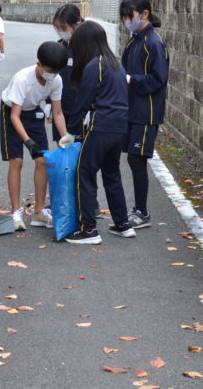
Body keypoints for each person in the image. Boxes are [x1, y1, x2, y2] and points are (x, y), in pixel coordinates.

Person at [64, 21, 135, 244]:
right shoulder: (116, 64)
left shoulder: (94, 65)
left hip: (100, 125)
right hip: (119, 127)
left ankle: (88, 230)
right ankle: (122, 224)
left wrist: (71, 133)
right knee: (112, 174)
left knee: (84, 172)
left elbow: (82, 103)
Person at [0, 41, 74, 231]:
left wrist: (65, 137)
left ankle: (39, 211)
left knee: (42, 160)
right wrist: (28, 141)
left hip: (33, 112)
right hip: (11, 112)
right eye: (49, 70)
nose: (52, 75)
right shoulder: (22, 79)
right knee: (16, 161)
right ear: (39, 64)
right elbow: (15, 116)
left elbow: (57, 113)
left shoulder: (56, 80)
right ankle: (16, 212)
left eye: (56, 72)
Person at [120, 0, 169, 230]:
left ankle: (142, 212)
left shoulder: (153, 43)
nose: (127, 21)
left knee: (136, 159)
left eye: (130, 16)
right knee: (131, 157)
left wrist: (131, 80)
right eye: (125, 18)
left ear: (145, 14)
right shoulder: (134, 40)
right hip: (132, 109)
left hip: (147, 111)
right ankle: (137, 209)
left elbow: (159, 79)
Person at [50, 4, 84, 145]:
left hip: (80, 110)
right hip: (60, 108)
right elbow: (50, 75)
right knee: (62, 148)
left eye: (63, 28)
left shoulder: (87, 48)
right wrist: (48, 103)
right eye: (57, 28)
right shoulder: (59, 46)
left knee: (79, 152)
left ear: (76, 25)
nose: (60, 31)